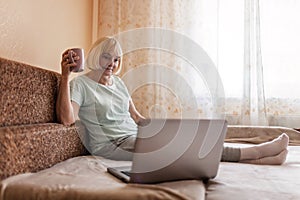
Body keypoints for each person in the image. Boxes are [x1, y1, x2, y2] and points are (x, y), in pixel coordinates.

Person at [56, 36, 289, 165]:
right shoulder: (81, 85)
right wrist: (66, 76)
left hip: (134, 136)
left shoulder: (119, 84)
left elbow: (137, 118)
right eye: (107, 57)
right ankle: (254, 153)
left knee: (186, 138)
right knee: (182, 148)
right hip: (112, 144)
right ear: (97, 56)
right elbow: (67, 120)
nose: (112, 64)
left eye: (116, 59)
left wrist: (165, 129)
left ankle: (260, 158)